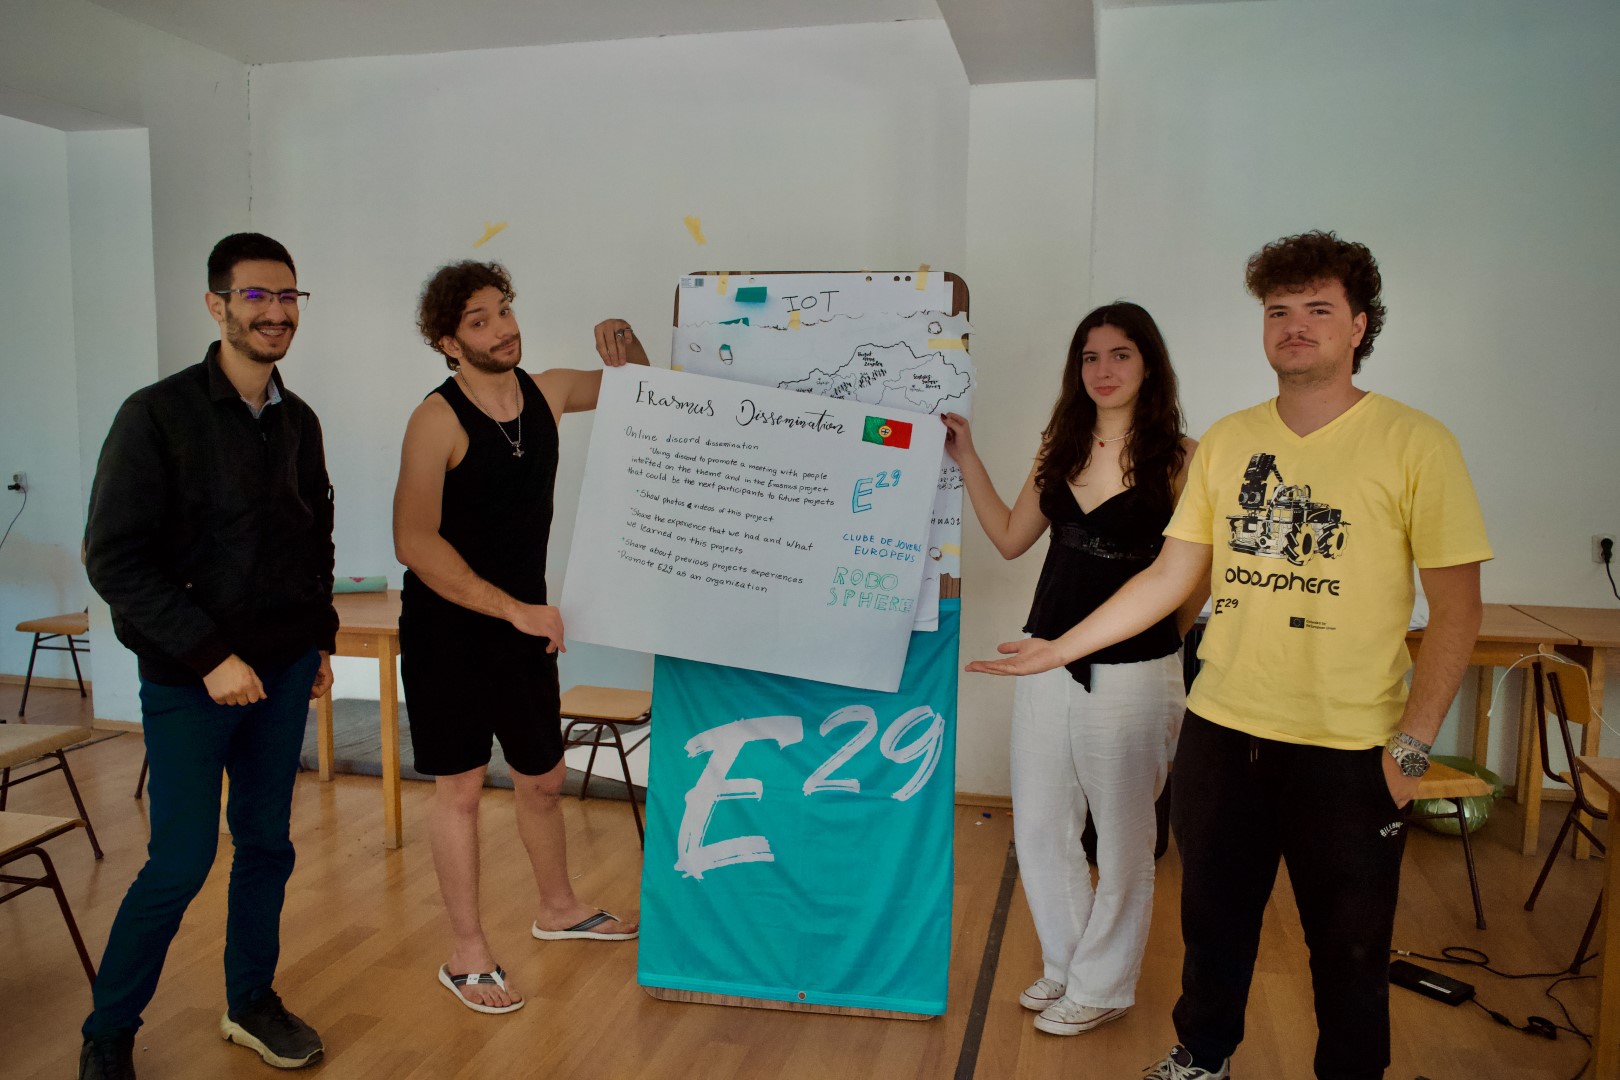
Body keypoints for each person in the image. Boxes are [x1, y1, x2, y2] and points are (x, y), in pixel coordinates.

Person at [967, 232, 1490, 1079]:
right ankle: (1201, 1057)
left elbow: (1459, 610)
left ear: (1359, 325)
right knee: (1213, 924)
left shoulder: (1416, 442)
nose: (1295, 326)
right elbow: (1174, 574)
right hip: (1223, 727)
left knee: (1348, 945)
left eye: (1318, 309)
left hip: (1349, 743)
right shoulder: (1232, 441)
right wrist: (1059, 649)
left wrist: (1412, 748)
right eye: (1279, 311)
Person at [79, 233, 336, 1078]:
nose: (275, 312)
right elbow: (114, 559)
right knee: (181, 861)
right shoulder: (155, 416)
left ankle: (250, 1002)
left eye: (288, 296)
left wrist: (320, 637)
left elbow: (314, 538)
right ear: (216, 304)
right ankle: (108, 1033)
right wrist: (210, 656)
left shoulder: (298, 421)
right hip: (192, 682)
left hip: (283, 672)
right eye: (256, 296)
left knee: (267, 845)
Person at [392, 261, 649, 1014]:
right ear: (449, 342)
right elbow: (414, 541)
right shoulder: (436, 419)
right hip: (449, 630)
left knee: (542, 777)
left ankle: (559, 908)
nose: (502, 328)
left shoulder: (549, 391)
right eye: (479, 321)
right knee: (462, 790)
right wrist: (512, 610)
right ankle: (467, 955)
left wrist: (626, 341)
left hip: (523, 624)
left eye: (503, 310)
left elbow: (641, 393)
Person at [941, 302, 1201, 1037]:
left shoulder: (1183, 457)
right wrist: (967, 458)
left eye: (1120, 354)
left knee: (1122, 839)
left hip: (1135, 672)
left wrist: (1161, 649)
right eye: (1090, 357)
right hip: (1042, 659)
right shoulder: (1060, 447)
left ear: (1149, 364)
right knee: (1041, 825)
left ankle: (1105, 985)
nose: (1103, 370)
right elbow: (1009, 537)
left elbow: (1192, 578)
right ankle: (1068, 964)